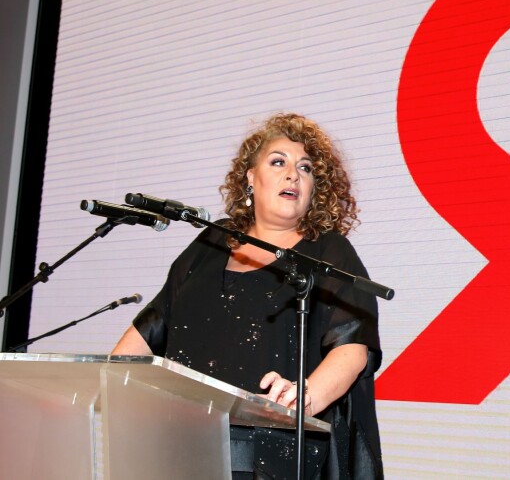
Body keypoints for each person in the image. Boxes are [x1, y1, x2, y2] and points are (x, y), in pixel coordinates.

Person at [112, 113, 383, 478]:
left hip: (270, 454)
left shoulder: (327, 252)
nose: (293, 174)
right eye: (278, 162)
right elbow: (147, 333)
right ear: (250, 178)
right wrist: (109, 381)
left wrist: (306, 396)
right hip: (184, 443)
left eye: (306, 168)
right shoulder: (209, 243)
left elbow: (352, 346)